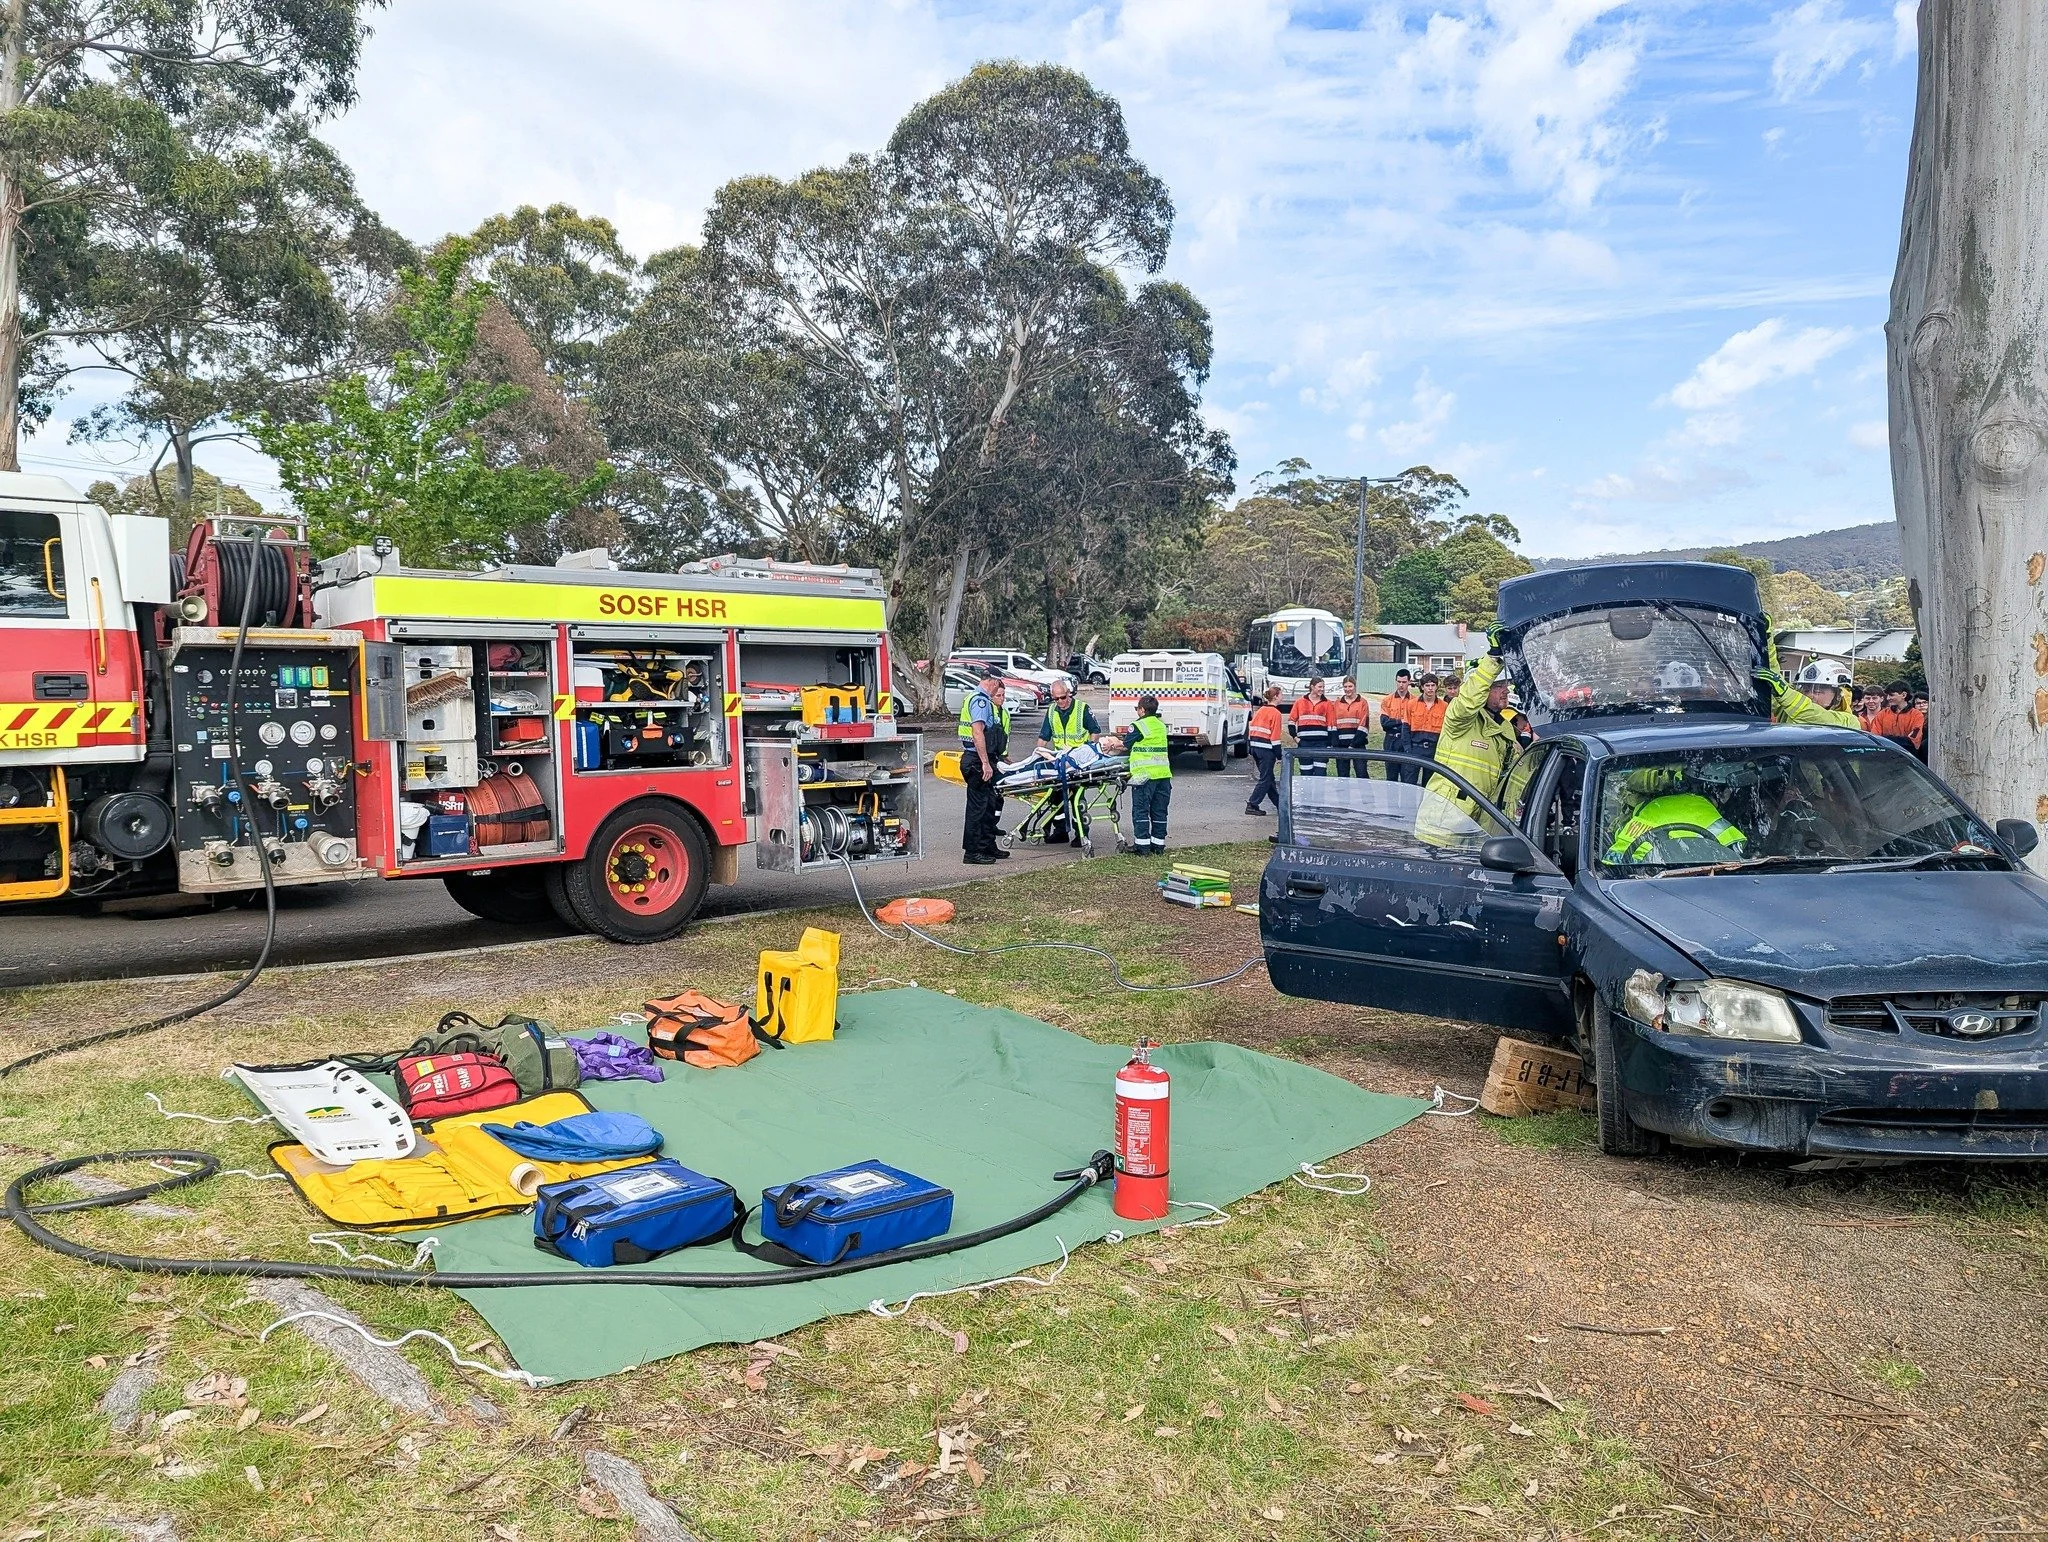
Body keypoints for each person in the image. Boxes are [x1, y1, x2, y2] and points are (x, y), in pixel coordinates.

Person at [1415, 641, 1524, 848]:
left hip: (1479, 828)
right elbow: (1468, 701)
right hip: (1444, 827)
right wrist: (1492, 659)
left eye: (1505, 686)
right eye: (1498, 687)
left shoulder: (1505, 729)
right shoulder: (1460, 719)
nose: (1505, 691)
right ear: (1481, 691)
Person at [1038, 678, 1105, 846]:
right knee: (1056, 798)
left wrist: (1089, 752)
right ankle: (1060, 831)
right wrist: (1039, 753)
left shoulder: (1082, 709)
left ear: (1069, 693)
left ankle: (1081, 833)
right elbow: (1044, 737)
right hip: (1060, 762)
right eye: (1056, 698)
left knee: (1077, 799)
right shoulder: (1052, 711)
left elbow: (1095, 732)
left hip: (1078, 762)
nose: (1060, 701)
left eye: (1063, 697)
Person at [1607, 790, 1748, 866]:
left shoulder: (1645, 807)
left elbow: (1619, 832)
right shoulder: (1709, 815)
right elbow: (1735, 856)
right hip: (1678, 879)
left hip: (1616, 872)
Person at [957, 667, 1011, 865]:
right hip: (976, 760)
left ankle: (987, 846)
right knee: (977, 808)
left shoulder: (982, 699)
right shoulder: (980, 701)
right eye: (998, 684)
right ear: (994, 682)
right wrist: (986, 763)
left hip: (982, 758)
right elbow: (977, 733)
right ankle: (972, 852)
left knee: (989, 805)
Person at [1124, 693, 1173, 855]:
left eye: (1137, 709)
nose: (1137, 712)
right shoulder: (1160, 725)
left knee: (1141, 811)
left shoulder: (1138, 725)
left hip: (1144, 777)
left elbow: (1126, 744)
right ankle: (1158, 846)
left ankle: (1142, 846)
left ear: (1142, 710)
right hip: (1163, 775)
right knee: (1159, 811)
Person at [1244, 685, 1285, 815]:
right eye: (1281, 695)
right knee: (1266, 779)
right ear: (1276, 696)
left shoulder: (1260, 710)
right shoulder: (1276, 713)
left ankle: (1280, 805)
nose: (1282, 697)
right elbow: (1275, 737)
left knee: (1269, 779)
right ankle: (1252, 803)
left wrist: (1250, 747)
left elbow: (1252, 729)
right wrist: (1279, 755)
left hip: (1255, 747)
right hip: (1267, 749)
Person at [1328, 676, 1371, 778]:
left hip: (1358, 745)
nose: (1348, 689)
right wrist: (1335, 743)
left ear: (1355, 686)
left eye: (1350, 686)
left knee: (1362, 774)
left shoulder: (1362, 702)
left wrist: (1353, 744)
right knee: (1342, 776)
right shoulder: (1337, 703)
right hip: (1341, 745)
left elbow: (1363, 725)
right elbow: (1333, 724)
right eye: (1345, 686)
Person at [1289, 676, 1333, 775]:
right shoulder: (1299, 702)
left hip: (1321, 744)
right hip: (1304, 743)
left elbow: (1331, 725)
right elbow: (1291, 721)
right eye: (1320, 687)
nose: (1322, 689)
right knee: (1305, 773)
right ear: (1312, 687)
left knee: (1320, 773)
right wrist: (1295, 738)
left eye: (1323, 687)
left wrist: (1329, 744)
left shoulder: (1328, 703)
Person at [1871, 683, 1927, 758]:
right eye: (1887, 695)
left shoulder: (1917, 715)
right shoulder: (1882, 714)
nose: (1888, 698)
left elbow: (1914, 740)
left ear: (1904, 695)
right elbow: (1875, 737)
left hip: (1907, 758)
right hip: (1885, 757)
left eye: (1891, 695)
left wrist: (1886, 739)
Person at [1406, 674, 1448, 768]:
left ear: (1437, 687)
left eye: (1433, 685)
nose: (1430, 688)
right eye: (1427, 685)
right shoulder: (1411, 704)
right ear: (1422, 687)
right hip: (1415, 748)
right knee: (1409, 780)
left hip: (1433, 750)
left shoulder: (1444, 706)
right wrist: (1408, 749)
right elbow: (1405, 728)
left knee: (1429, 781)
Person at [1380, 669, 1415, 781]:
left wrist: (1394, 722)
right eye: (1399, 681)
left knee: (1407, 777)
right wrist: (1402, 721)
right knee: (1391, 777)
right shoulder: (1387, 700)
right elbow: (1385, 724)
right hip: (1391, 741)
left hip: (1406, 741)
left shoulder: (1415, 701)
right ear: (1395, 681)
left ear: (1409, 682)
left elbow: (1413, 724)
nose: (1401, 685)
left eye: (1404, 682)